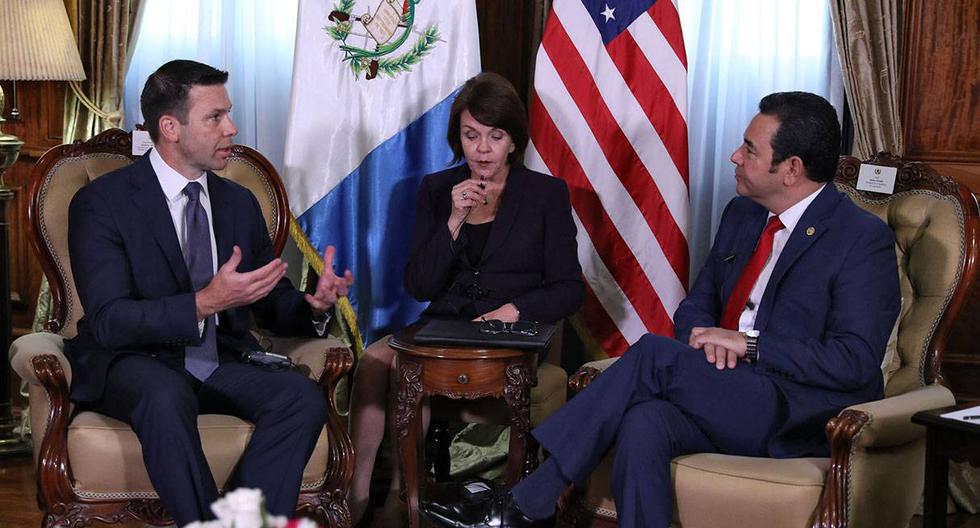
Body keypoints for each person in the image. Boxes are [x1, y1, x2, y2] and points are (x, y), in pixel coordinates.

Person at [423, 91, 901, 528]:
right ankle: (532, 504)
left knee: (651, 354)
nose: (735, 155)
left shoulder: (861, 239)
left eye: (750, 149)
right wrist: (706, 345)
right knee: (644, 421)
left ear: (791, 169)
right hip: (724, 385)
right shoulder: (743, 214)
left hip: (794, 410)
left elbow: (854, 361)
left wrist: (749, 346)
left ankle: (525, 503)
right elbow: (698, 304)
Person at [65, 59, 354, 526]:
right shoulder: (103, 202)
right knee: (164, 393)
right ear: (170, 127)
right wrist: (203, 303)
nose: (232, 127)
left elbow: (269, 301)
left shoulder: (237, 202)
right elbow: (108, 320)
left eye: (229, 113)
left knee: (300, 398)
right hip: (134, 360)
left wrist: (314, 305)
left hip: (219, 360)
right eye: (215, 117)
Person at [348, 72, 585, 526]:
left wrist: (517, 310)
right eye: (471, 135)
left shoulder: (545, 195)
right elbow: (418, 285)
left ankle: (410, 493)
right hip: (444, 323)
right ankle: (363, 494)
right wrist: (454, 219)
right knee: (377, 362)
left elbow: (569, 287)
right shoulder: (438, 191)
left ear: (513, 141)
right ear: (458, 137)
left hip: (509, 331)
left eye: (495, 137)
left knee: (405, 371)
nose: (482, 149)